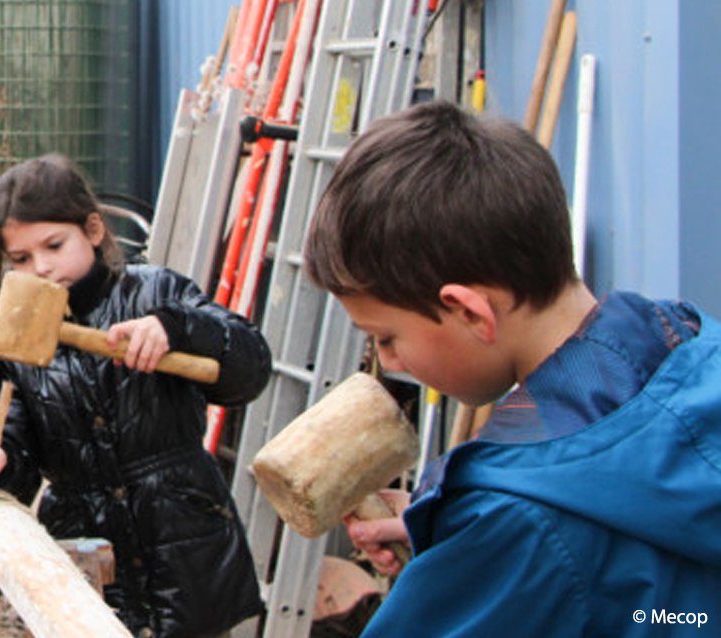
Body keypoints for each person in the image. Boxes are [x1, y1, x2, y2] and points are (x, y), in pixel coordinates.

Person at [308, 101, 721, 635]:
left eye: (386, 337)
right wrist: (455, 540)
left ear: (469, 311)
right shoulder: (683, 342)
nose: (387, 361)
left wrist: (477, 553)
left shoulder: (515, 522)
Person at [0, 154, 270, 637]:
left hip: (182, 546)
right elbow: (6, 435)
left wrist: (178, 329)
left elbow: (250, 368)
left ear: (94, 230)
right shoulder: (15, 331)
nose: (41, 267)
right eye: (20, 258)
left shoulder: (154, 295)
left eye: (54, 245)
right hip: (87, 551)